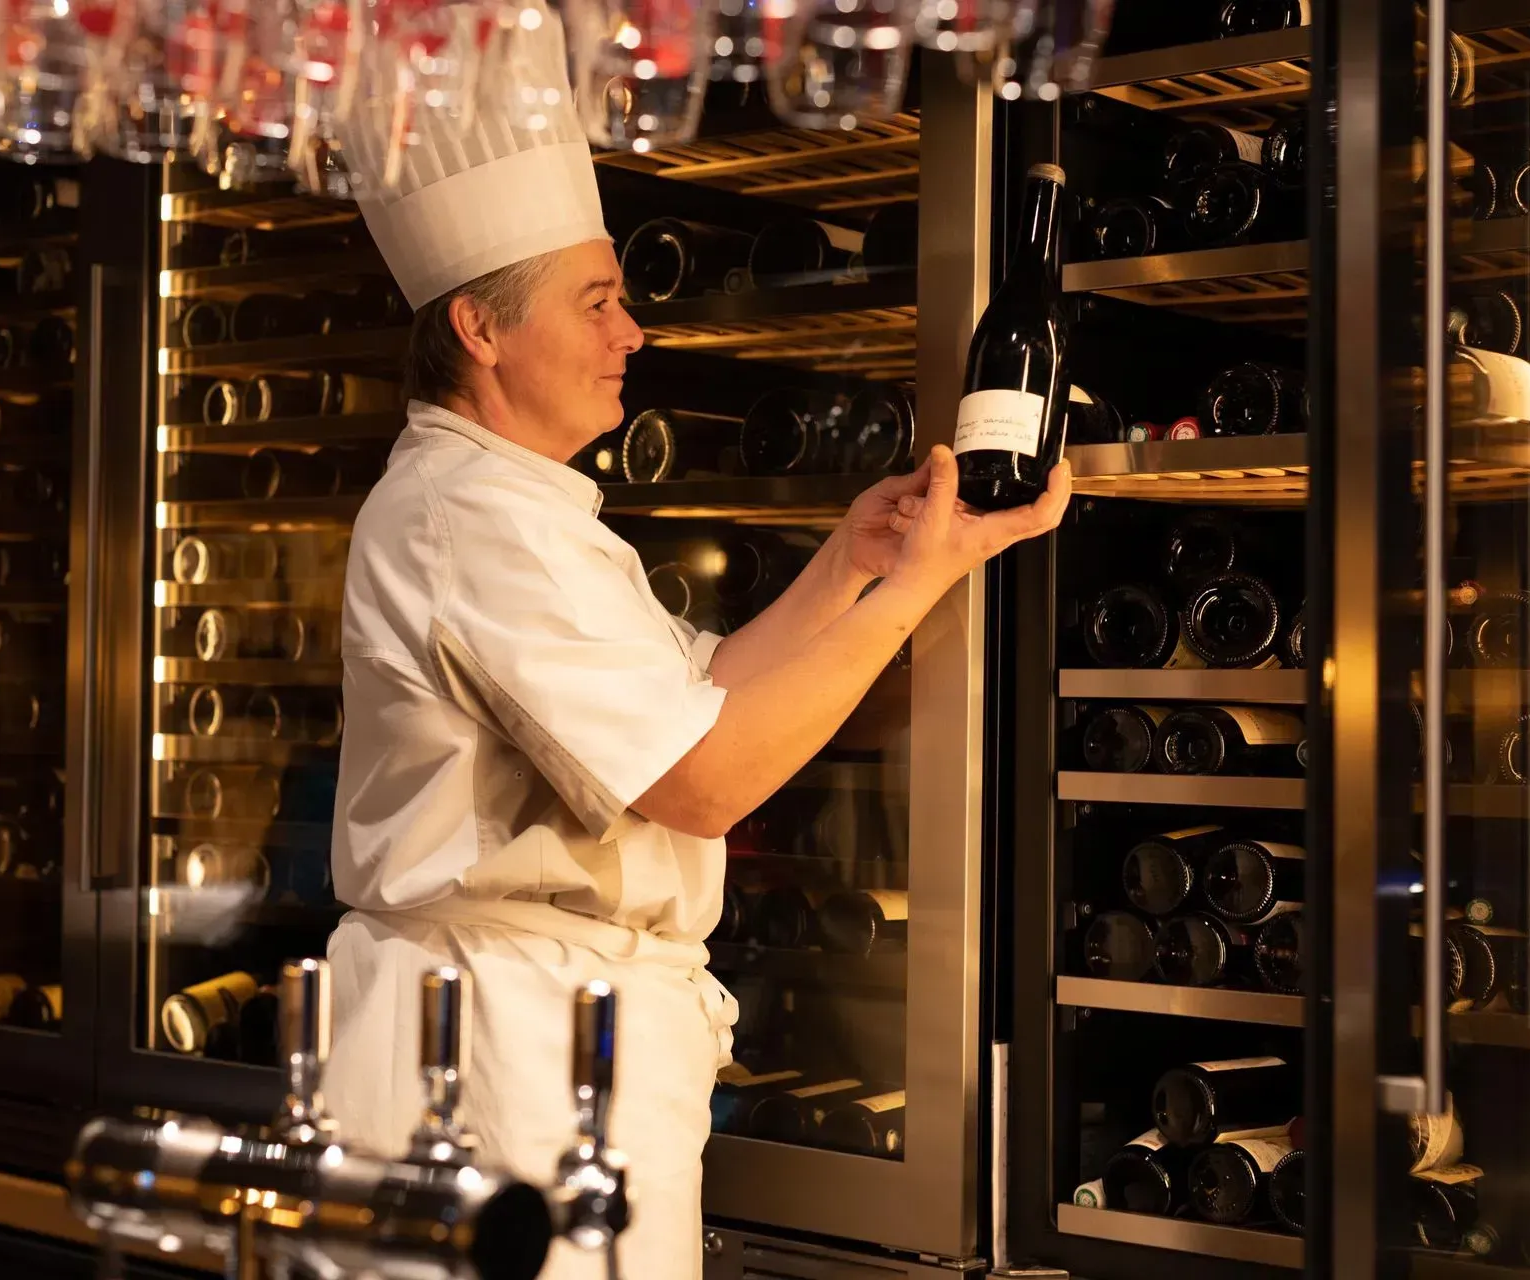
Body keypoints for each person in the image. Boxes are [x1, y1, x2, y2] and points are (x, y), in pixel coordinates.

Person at [317, 17, 1071, 1280]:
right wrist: (923, 583)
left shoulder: (524, 504)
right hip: (502, 1064)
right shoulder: (466, 517)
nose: (635, 334)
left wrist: (854, 561)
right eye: (599, 302)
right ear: (481, 330)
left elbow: (698, 697)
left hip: (553, 1049)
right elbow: (703, 780)